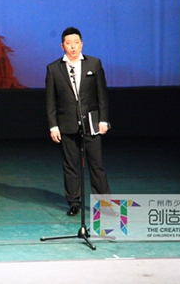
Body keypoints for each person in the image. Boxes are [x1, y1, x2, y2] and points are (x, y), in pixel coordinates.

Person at [45, 27, 111, 216]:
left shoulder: (94, 64)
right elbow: (50, 100)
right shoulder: (54, 68)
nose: (73, 47)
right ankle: (74, 202)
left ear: (81, 44)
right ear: (62, 46)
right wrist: (53, 125)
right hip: (66, 123)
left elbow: (102, 95)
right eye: (69, 43)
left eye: (76, 43)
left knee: (96, 164)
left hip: (91, 122)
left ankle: (106, 205)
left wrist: (103, 120)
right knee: (70, 165)